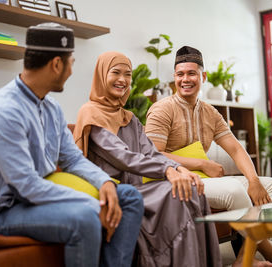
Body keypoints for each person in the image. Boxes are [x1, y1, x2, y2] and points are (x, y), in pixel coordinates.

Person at [0, 23, 144, 267]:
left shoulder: (52, 109)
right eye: (71, 62)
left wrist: (104, 183)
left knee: (128, 197)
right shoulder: (4, 111)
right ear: (56, 64)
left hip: (38, 199)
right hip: (4, 212)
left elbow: (72, 159)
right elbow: (27, 186)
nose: (72, 70)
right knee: (85, 217)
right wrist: (94, 204)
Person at [145, 46, 272, 267]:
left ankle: (244, 258)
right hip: (172, 181)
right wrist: (202, 163)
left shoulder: (210, 112)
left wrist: (254, 181)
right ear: (174, 78)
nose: (185, 79)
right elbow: (153, 154)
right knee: (234, 190)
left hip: (204, 180)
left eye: (191, 73)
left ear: (203, 76)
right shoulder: (162, 109)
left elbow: (235, 149)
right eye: (180, 74)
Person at [73, 51, 222, 267]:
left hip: (139, 190)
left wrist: (179, 170)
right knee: (176, 194)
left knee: (191, 188)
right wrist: (168, 171)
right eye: (115, 73)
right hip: (114, 193)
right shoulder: (90, 114)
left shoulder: (129, 118)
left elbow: (150, 153)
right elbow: (124, 157)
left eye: (128, 74)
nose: (123, 80)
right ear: (101, 75)